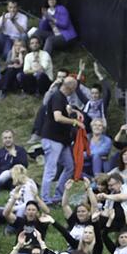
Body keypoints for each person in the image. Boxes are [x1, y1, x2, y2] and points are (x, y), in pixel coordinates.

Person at [40, 77, 82, 205]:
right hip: (53, 138)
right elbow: (58, 117)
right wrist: (75, 122)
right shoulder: (58, 96)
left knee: (70, 166)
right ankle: (45, 199)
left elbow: (65, 109)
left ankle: (58, 195)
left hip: (62, 140)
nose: (74, 92)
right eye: (74, 89)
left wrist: (74, 111)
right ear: (70, 88)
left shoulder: (62, 98)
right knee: (50, 169)